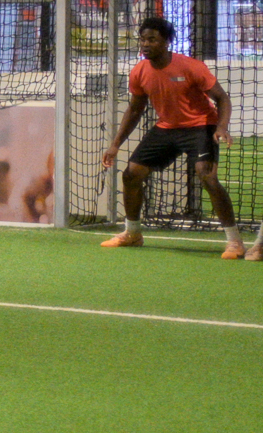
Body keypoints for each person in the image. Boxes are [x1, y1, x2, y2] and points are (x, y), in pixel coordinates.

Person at [98, 16, 251, 260]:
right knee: (131, 174)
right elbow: (135, 110)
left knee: (207, 176)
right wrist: (115, 145)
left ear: (167, 41)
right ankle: (132, 233)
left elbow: (222, 98)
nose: (145, 44)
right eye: (142, 39)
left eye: (152, 39)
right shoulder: (139, 71)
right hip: (167, 127)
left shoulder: (191, 67)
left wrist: (221, 127)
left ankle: (235, 242)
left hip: (201, 126)